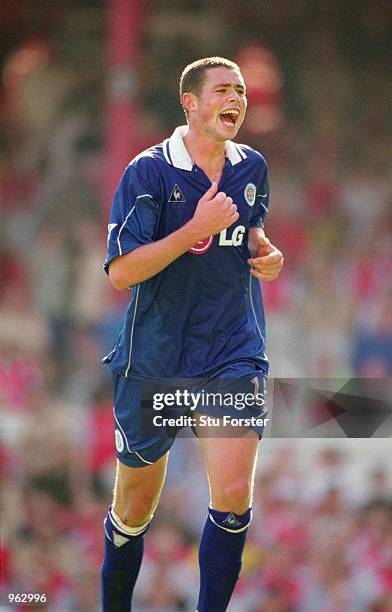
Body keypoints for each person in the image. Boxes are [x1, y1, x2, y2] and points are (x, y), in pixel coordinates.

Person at [101, 56, 284, 611]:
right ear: (190, 102)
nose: (236, 99)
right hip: (154, 358)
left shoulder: (251, 167)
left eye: (241, 92)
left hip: (231, 349)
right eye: (224, 90)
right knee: (134, 511)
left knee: (232, 495)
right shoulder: (148, 172)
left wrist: (264, 251)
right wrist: (195, 229)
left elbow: (253, 232)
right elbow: (120, 272)